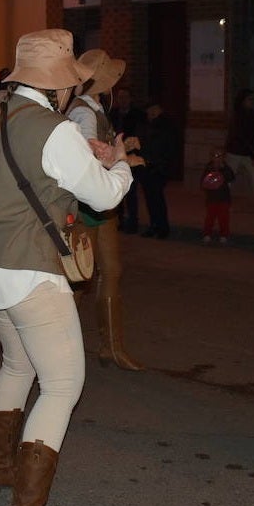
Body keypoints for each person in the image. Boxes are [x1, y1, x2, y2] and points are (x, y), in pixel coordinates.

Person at [0, 29, 133, 506]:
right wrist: (118, 160)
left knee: (18, 363)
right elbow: (104, 196)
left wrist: (73, 155)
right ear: (60, 87)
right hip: (25, 266)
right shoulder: (54, 129)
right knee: (62, 385)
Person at [66, 50, 147, 370]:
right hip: (89, 204)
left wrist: (124, 150)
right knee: (79, 277)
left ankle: (111, 347)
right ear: (105, 82)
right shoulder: (85, 113)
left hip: (101, 205)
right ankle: (62, 349)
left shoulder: (92, 109)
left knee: (109, 271)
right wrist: (121, 159)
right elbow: (86, 157)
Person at [136, 99, 177, 239]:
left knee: (157, 199)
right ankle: (154, 225)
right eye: (150, 109)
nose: (152, 112)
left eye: (155, 109)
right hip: (146, 167)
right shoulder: (145, 125)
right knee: (150, 199)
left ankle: (162, 227)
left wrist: (161, 164)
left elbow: (168, 147)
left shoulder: (166, 125)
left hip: (158, 167)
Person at [109, 86, 146, 233]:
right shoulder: (113, 114)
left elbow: (140, 135)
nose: (122, 100)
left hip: (131, 156)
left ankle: (133, 223)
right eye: (120, 97)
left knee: (131, 192)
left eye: (125, 97)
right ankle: (119, 220)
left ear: (130, 99)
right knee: (116, 190)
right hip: (115, 155)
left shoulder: (137, 115)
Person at [224, 89, 254, 210]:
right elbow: (239, 135)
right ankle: (223, 200)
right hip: (236, 151)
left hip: (246, 151)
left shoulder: (251, 113)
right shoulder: (238, 114)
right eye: (249, 99)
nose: (252, 102)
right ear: (242, 101)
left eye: (253, 99)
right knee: (229, 177)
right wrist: (251, 149)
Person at [200, 149, 235, 243]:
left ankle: (224, 234)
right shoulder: (208, 168)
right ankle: (207, 233)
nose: (217, 159)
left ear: (223, 158)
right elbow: (203, 182)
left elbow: (231, 177)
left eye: (219, 156)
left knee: (223, 218)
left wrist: (223, 169)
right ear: (211, 158)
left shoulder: (226, 168)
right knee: (210, 217)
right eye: (215, 156)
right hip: (212, 198)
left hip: (224, 198)